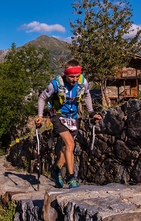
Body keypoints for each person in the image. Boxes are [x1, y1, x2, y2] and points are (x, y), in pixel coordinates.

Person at [35, 59, 102, 189]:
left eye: (77, 76)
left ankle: (56, 169)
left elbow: (87, 95)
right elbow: (42, 98)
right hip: (58, 115)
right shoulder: (55, 84)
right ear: (66, 74)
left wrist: (92, 113)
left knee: (67, 149)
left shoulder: (83, 83)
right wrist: (39, 116)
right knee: (70, 144)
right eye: (72, 77)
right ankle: (72, 178)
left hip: (73, 117)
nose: (75, 79)